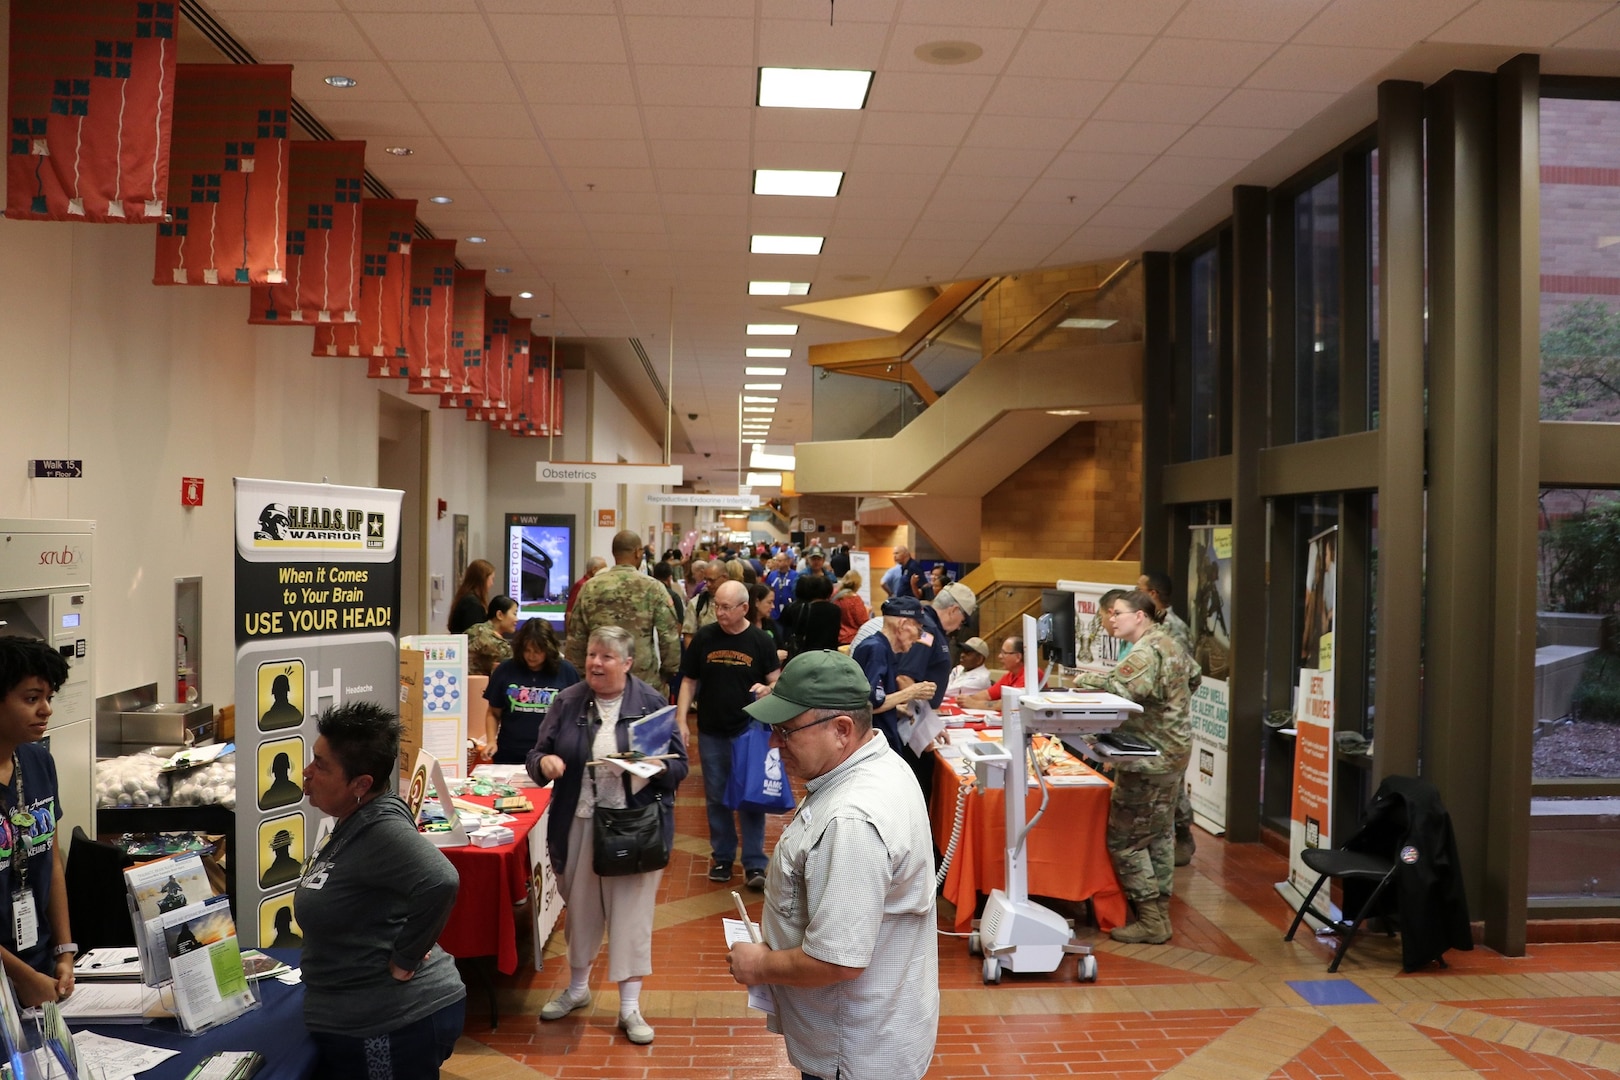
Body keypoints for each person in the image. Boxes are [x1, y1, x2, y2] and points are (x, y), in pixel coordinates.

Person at [726, 651, 938, 1080]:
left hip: (853, 1052)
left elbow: (839, 961)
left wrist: (759, 965)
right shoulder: (878, 762)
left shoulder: (851, 820)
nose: (774, 744)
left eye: (786, 732)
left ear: (841, 730)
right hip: (872, 1033)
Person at [529, 627, 688, 1046]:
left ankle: (629, 1007)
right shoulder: (568, 701)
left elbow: (678, 769)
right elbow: (536, 753)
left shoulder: (652, 703)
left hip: (634, 825)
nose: (596, 664)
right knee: (580, 912)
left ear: (628, 663)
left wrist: (650, 767)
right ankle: (577, 989)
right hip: (579, 821)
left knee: (631, 917)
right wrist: (545, 761)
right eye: (592, 655)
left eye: (607, 657)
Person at [297, 701, 465, 1078]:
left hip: (393, 1023)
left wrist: (406, 958)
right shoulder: (356, 820)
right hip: (367, 1018)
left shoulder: (381, 829)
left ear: (361, 784)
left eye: (321, 765)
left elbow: (441, 880)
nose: (307, 773)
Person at [1071, 590, 1200, 945]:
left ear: (1140, 616)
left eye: (1119, 613)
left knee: (1125, 840)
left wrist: (1083, 680)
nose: (1112, 619)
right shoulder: (1170, 642)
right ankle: (1157, 915)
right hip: (1173, 752)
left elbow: (1120, 689)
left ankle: (1151, 920)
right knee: (1157, 836)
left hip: (1148, 758)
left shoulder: (1145, 650)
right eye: (1109, 614)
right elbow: (1194, 678)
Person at [676, 581, 780, 889]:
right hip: (711, 730)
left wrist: (768, 689)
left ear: (744, 608)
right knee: (717, 797)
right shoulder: (705, 637)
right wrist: (681, 719)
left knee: (750, 798)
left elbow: (777, 681)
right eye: (716, 606)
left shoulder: (760, 641)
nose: (719, 613)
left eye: (725, 607)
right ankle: (722, 856)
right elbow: (688, 682)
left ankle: (754, 863)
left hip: (749, 732)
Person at [0, 637, 75, 1008]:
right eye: (31, 699)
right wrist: (21, 976)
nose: (45, 710)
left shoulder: (38, 762)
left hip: (40, 966)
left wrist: (64, 952)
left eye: (48, 698)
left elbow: (52, 861)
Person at [566, 530, 681, 697]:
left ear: (614, 553)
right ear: (638, 552)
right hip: (643, 683)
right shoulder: (653, 587)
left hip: (600, 680)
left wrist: (582, 677)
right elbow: (669, 636)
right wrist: (667, 673)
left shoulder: (589, 588)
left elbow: (576, 638)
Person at [1138, 571, 1198, 866]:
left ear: (1153, 595)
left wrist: (1172, 707)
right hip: (1151, 722)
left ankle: (1183, 834)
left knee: (1172, 784)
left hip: (1169, 723)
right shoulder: (1151, 627)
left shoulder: (1173, 629)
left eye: (1139, 589)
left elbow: (1189, 674)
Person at [849, 597, 936, 760]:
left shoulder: (882, 648)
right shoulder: (876, 650)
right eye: (919, 630)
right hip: (874, 748)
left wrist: (895, 709)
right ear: (903, 625)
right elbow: (868, 704)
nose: (919, 638)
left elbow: (873, 698)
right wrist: (911, 692)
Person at [485, 618, 580, 765]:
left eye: (537, 651)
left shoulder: (566, 672)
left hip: (550, 756)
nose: (531, 656)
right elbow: (493, 712)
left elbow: (576, 716)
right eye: (527, 650)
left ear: (549, 650)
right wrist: (491, 741)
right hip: (509, 754)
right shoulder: (505, 670)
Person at [896, 582, 976, 711]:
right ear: (953, 610)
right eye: (963, 620)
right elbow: (904, 678)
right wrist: (924, 720)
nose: (960, 626)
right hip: (912, 719)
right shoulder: (926, 631)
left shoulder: (932, 627)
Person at [958, 636, 1028, 710]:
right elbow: (988, 694)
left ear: (1018, 657)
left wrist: (974, 703)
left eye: (1004, 653)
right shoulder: (1010, 675)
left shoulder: (1030, 676)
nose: (1000, 656)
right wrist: (965, 700)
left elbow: (1011, 704)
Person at [466, 595, 518, 677]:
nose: (516, 619)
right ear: (500, 615)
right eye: (514, 614)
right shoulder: (501, 645)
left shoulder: (474, 628)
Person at [682, 559, 727, 645]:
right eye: (706, 580)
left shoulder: (739, 601)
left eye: (712, 580)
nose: (708, 584)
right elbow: (688, 636)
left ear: (724, 578)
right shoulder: (697, 603)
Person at [448, 558, 496, 635]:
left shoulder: (466, 597)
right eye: (492, 579)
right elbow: (475, 635)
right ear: (483, 579)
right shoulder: (472, 603)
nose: (492, 583)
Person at [748, 582, 787, 661]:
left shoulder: (770, 624)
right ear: (757, 602)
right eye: (769, 602)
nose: (773, 606)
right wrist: (773, 657)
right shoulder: (743, 626)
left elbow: (781, 647)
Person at [565, 555, 609, 620]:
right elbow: (569, 612)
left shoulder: (594, 585)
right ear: (594, 570)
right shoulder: (581, 585)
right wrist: (569, 630)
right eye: (603, 571)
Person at [833, 570, 869, 645]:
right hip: (851, 638)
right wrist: (867, 611)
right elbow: (863, 621)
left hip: (835, 636)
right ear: (857, 584)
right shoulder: (855, 600)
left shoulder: (835, 595)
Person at [764, 552, 797, 620]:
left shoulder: (795, 575)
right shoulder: (772, 575)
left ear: (787, 562)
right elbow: (766, 590)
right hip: (774, 611)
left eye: (779, 561)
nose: (776, 562)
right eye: (776, 560)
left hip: (790, 612)